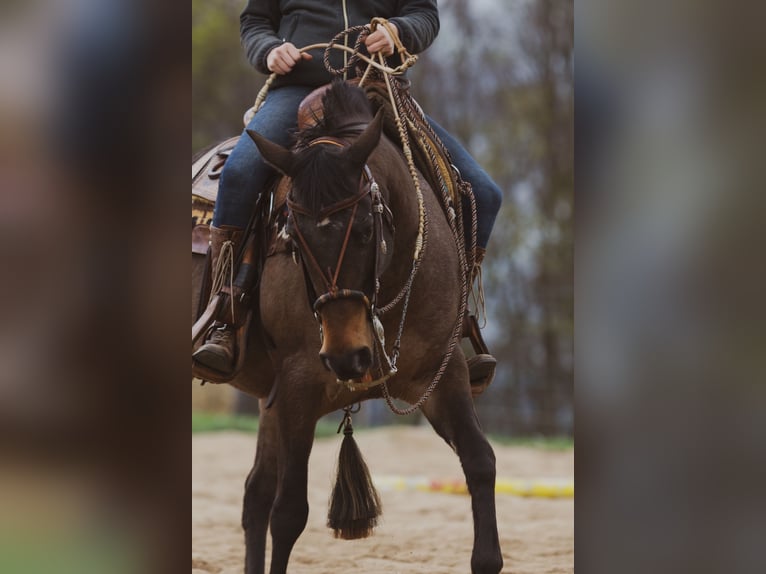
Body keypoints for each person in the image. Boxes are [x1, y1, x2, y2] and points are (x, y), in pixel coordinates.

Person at [194, 0, 502, 386]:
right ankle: (226, 314)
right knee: (240, 173)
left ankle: (457, 323)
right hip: (297, 91)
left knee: (484, 194)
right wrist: (269, 50)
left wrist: (398, 32)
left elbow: (425, 13)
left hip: (379, 88)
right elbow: (256, 21)